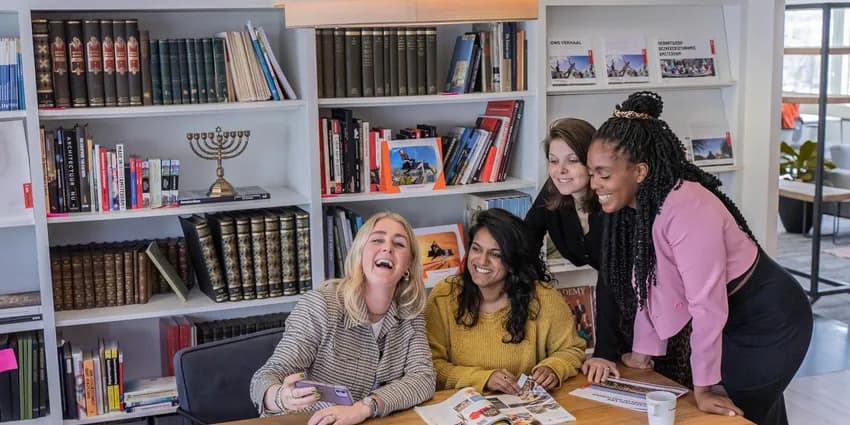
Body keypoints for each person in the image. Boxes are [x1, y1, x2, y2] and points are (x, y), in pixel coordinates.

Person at [586, 91, 812, 425]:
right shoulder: (641, 207)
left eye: (603, 175)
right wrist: (642, 352)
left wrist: (704, 387)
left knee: (731, 413)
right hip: (733, 317)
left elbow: (706, 304)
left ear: (640, 171)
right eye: (591, 173)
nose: (594, 184)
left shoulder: (688, 208)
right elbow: (651, 283)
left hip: (770, 321)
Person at [524, 118, 693, 387]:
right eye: (553, 161)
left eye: (572, 160)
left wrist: (604, 352)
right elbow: (526, 240)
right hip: (622, 307)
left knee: (671, 393)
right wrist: (531, 292)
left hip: (659, 308)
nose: (560, 171)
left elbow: (611, 276)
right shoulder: (553, 191)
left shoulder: (613, 201)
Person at [250, 212, 436, 425]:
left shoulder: (410, 312)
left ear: (408, 266)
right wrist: (281, 397)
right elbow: (265, 377)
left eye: (399, 244)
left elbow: (423, 379)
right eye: (377, 240)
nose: (387, 248)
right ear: (360, 253)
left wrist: (366, 407)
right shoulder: (321, 305)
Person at [425, 208, 586, 395]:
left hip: (526, 409)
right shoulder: (443, 295)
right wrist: (484, 379)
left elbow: (572, 349)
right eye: (476, 249)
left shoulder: (545, 298)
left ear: (512, 261)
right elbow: (431, 366)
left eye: (496, 254)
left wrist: (553, 368)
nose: (482, 261)